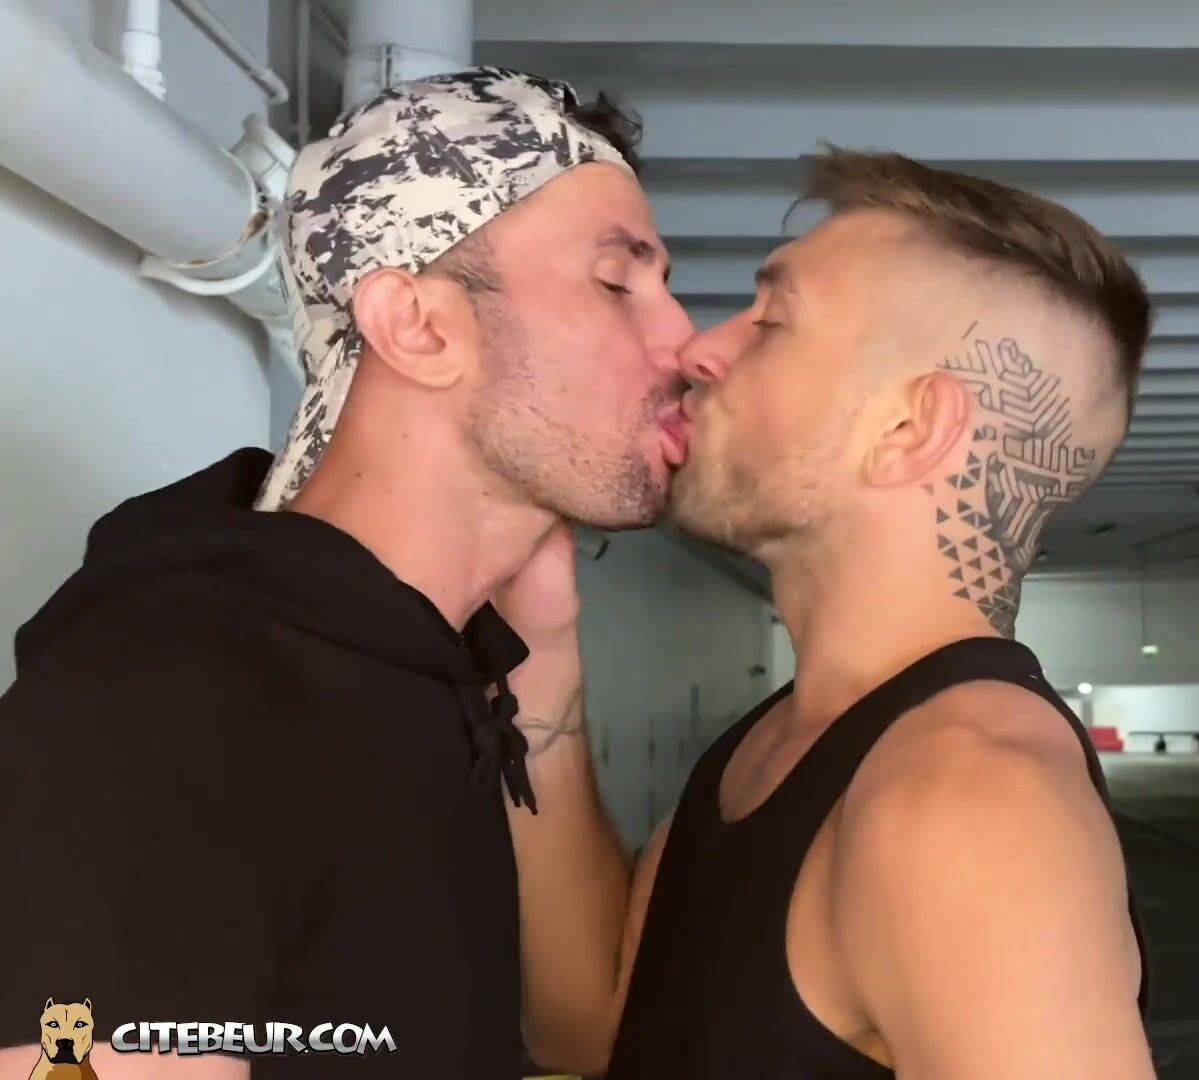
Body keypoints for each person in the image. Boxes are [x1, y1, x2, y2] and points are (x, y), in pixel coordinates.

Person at [0, 67, 691, 1078]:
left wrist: (542, 652)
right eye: (618, 284)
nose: (683, 340)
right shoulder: (170, 695)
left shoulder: (434, 674)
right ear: (418, 326)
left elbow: (574, 1030)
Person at [514, 149, 1155, 1078]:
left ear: (909, 429)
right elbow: (593, 1030)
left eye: (772, 322)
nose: (701, 350)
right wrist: (539, 675)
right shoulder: (782, 740)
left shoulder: (970, 798)